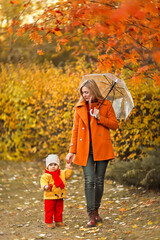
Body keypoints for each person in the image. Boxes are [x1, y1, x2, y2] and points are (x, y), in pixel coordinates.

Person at [66, 79, 118, 227]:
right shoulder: (79, 107)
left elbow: (114, 125)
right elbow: (75, 131)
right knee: (89, 180)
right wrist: (71, 151)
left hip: (101, 148)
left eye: (87, 92)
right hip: (84, 149)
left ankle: (96, 210)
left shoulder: (106, 105)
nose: (85, 95)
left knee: (99, 181)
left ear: (93, 91)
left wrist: (99, 117)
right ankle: (91, 215)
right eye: (83, 93)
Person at [40, 154, 72, 229]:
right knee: (49, 210)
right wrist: (45, 186)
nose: (53, 166)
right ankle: (49, 222)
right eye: (51, 165)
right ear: (47, 166)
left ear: (58, 165)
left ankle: (58, 221)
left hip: (59, 195)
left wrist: (68, 168)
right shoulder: (46, 176)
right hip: (49, 197)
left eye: (55, 164)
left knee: (59, 209)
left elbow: (68, 175)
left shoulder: (62, 173)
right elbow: (43, 182)